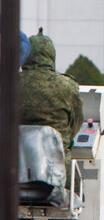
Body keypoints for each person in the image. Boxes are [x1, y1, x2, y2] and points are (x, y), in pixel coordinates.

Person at [20, 28, 83, 182]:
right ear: (51, 56)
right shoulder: (67, 87)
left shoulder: (8, 84)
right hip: (58, 175)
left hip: (15, 174)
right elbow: (75, 124)